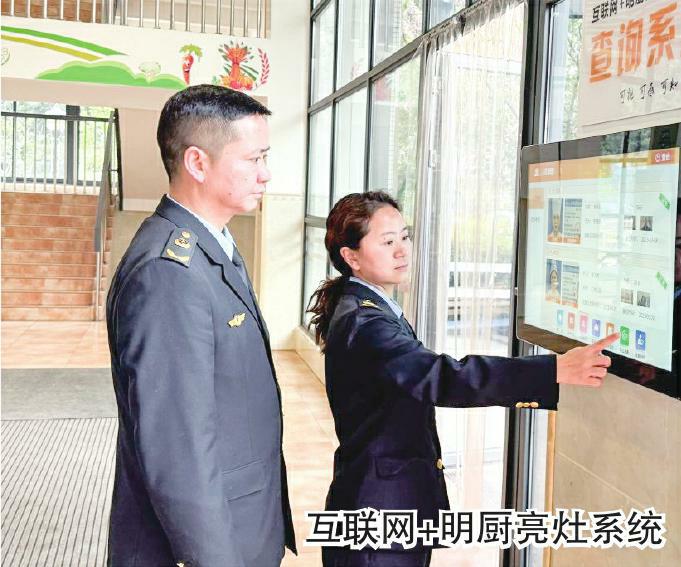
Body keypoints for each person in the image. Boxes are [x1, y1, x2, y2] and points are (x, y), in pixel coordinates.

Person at [307, 192, 617, 567]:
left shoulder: (365, 305)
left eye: (404, 237)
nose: (402, 250)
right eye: (387, 242)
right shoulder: (366, 321)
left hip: (382, 498)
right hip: (379, 510)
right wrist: (553, 370)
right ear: (351, 256)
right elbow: (443, 377)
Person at [106, 85, 296, 566]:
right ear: (197, 162)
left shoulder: (212, 245)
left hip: (242, 523)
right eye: (253, 159)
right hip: (210, 544)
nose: (265, 173)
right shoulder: (168, 272)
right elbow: (179, 450)